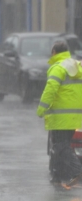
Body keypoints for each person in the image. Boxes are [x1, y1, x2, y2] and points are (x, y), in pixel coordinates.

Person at [37, 41, 82, 187]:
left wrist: (41, 109)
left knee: (61, 146)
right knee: (60, 145)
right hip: (75, 116)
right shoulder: (77, 66)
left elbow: (50, 89)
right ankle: (58, 176)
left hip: (61, 116)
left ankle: (77, 171)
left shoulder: (57, 68)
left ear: (54, 52)